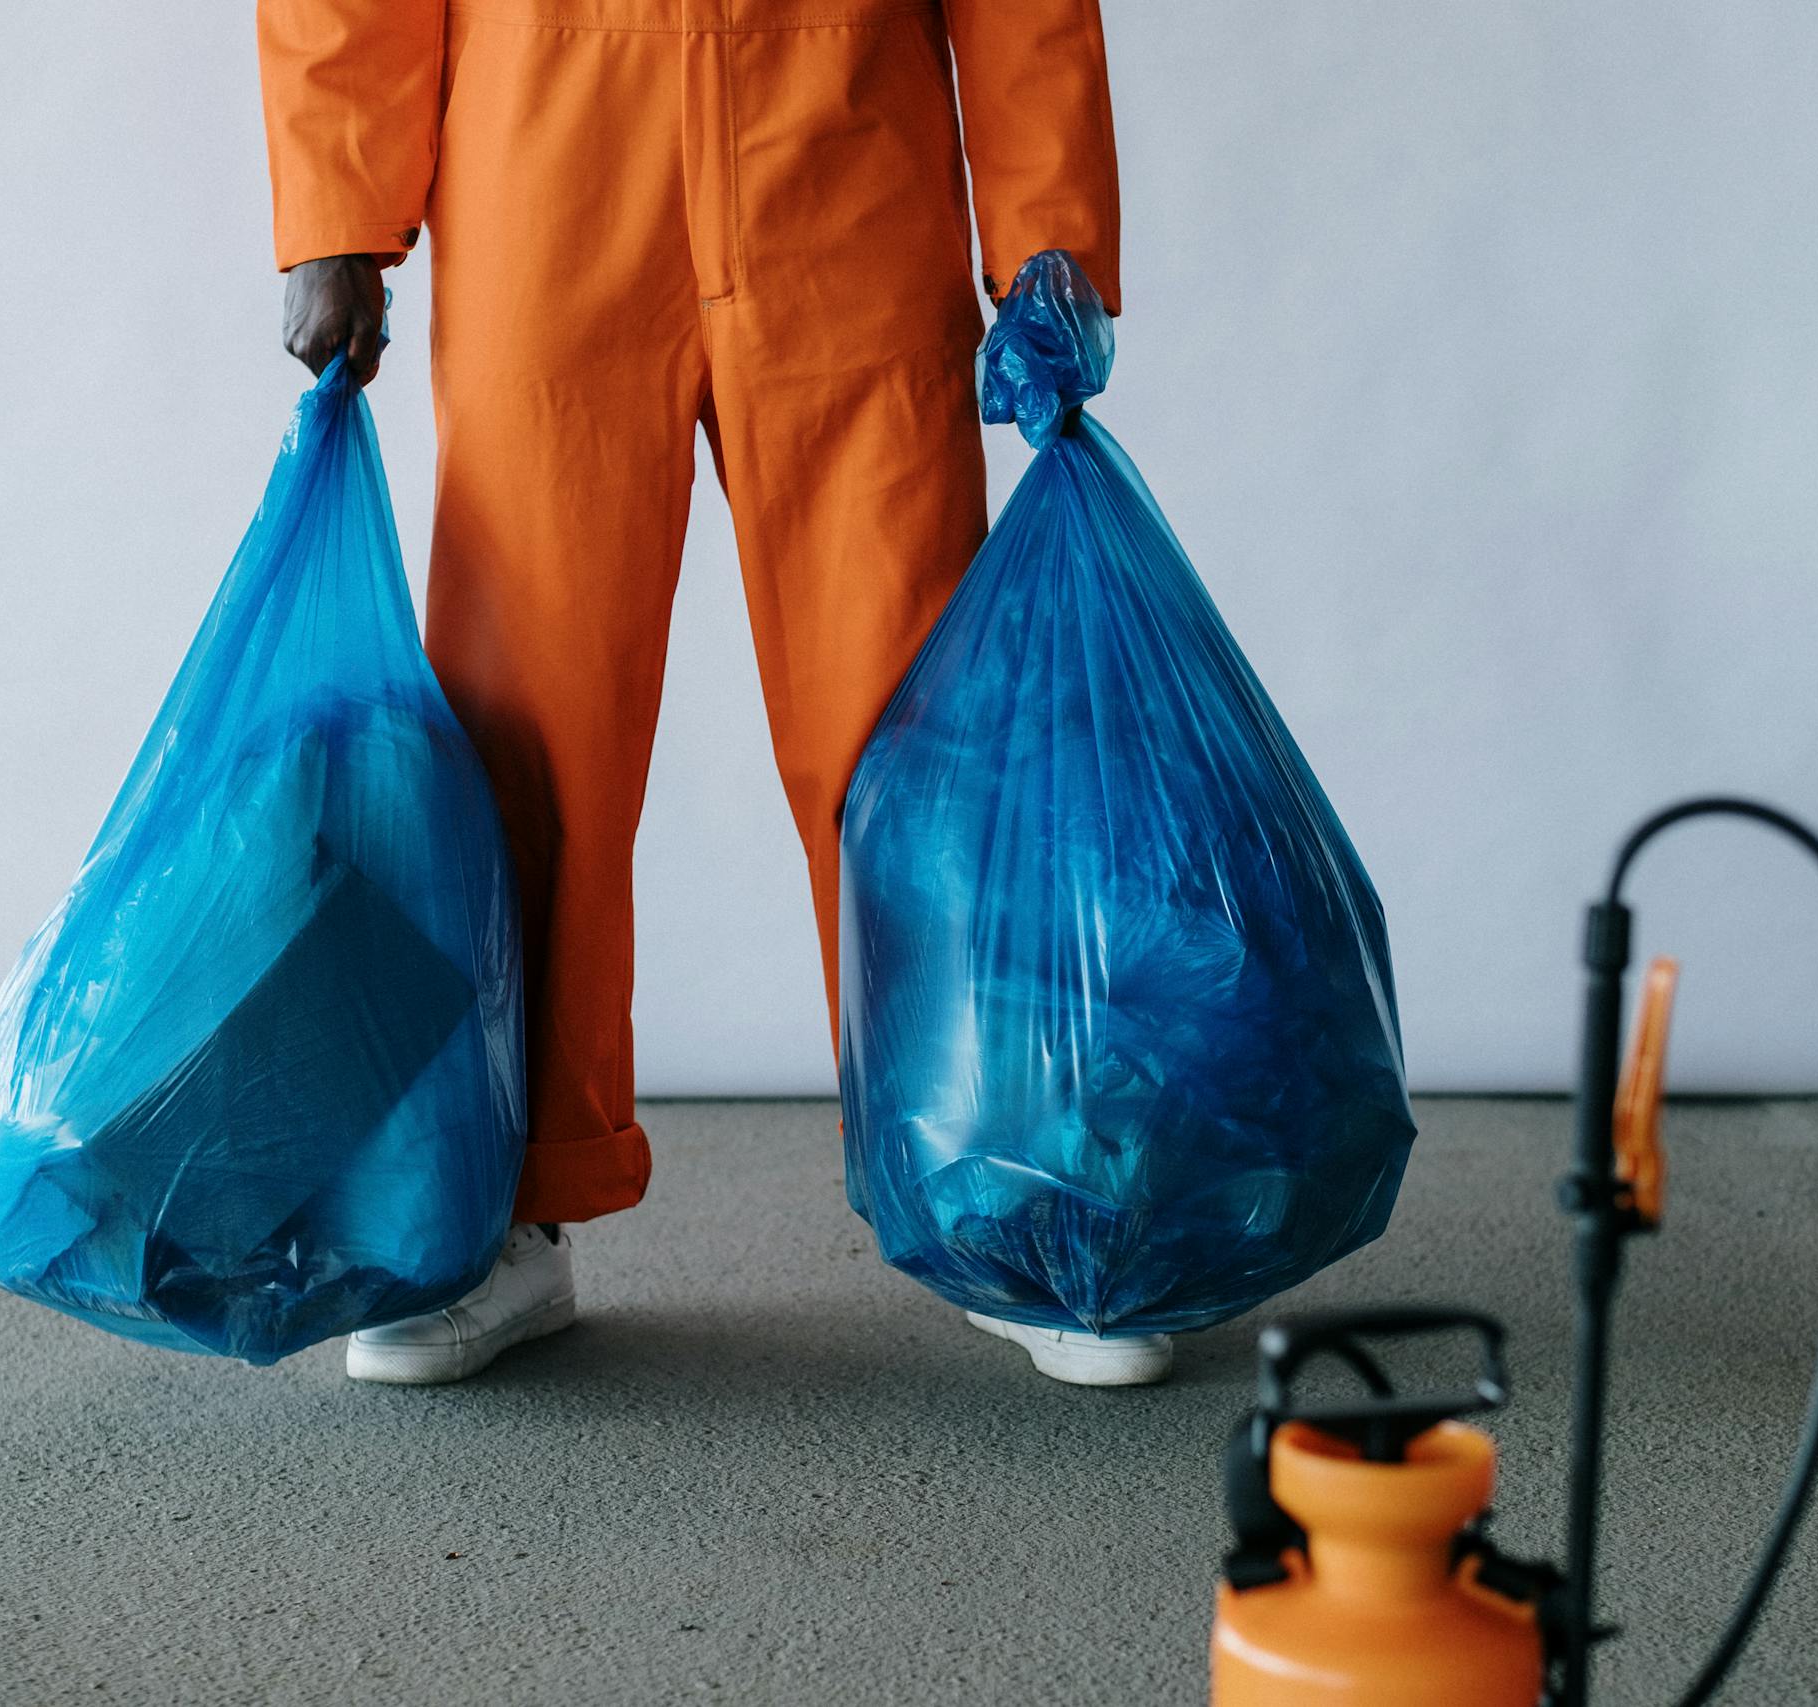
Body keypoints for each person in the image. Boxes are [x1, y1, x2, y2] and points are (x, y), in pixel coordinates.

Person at [256, 0, 1170, 1386]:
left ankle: (1006, 1186)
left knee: (912, 709)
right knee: (524, 717)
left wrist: (1047, 216)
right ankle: (505, 1205)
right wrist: (336, 200)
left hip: (844, 134)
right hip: (546, 138)